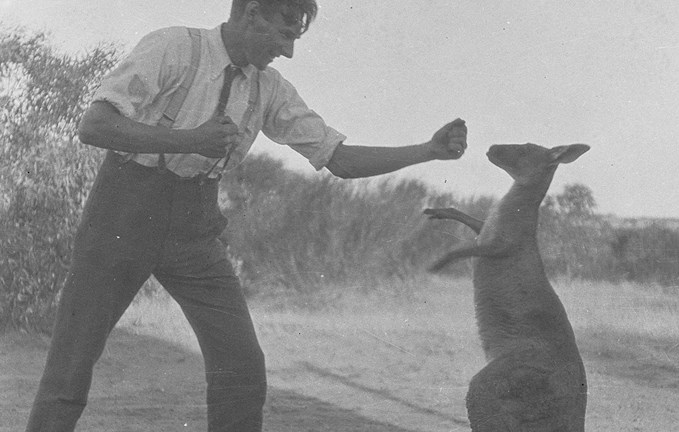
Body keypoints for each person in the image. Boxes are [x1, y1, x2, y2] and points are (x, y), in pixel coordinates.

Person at [25, 0, 467, 431]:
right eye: (284, 33)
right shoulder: (174, 47)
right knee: (71, 364)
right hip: (122, 216)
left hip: (194, 229)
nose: (288, 51)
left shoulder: (269, 87)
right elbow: (94, 126)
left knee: (242, 369)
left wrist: (426, 151)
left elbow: (339, 159)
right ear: (252, 11)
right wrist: (190, 140)